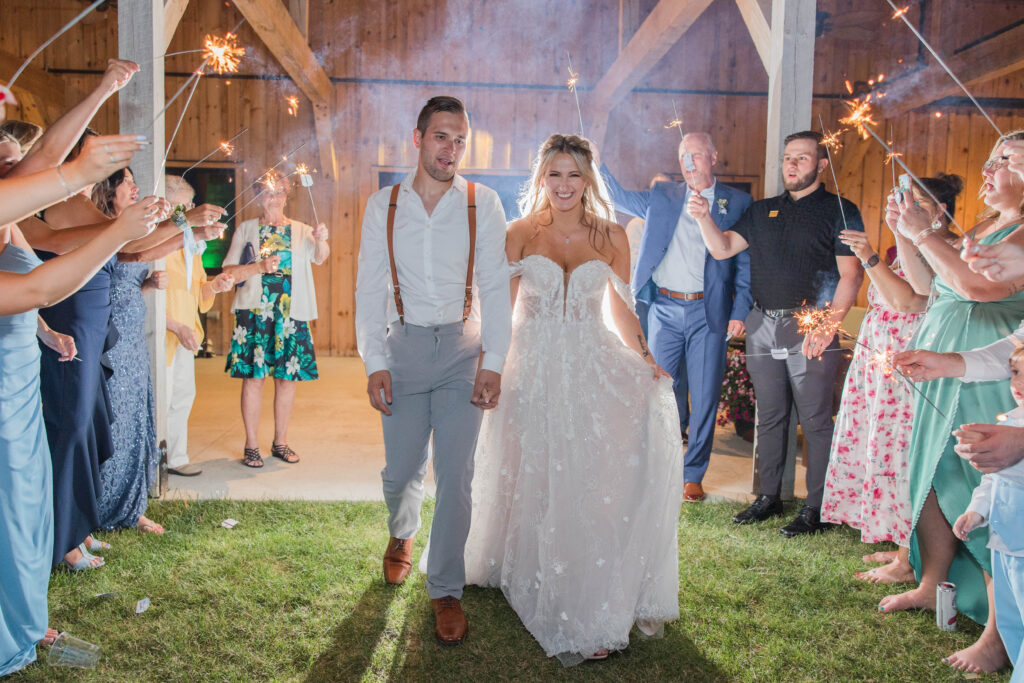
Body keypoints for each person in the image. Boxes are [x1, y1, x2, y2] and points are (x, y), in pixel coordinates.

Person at [463, 134, 683, 665]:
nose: (564, 185)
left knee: (587, 470)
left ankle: (586, 573)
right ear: (541, 178)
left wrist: (646, 356)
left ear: (588, 180)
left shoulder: (612, 236)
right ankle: (518, 557)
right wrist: (488, 365)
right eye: (555, 174)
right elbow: (504, 309)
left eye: (574, 175)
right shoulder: (517, 233)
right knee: (530, 464)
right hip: (531, 365)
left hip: (591, 362)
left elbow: (622, 309)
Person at [355, 95, 511, 646]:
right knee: (400, 473)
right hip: (403, 349)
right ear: (418, 138)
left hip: (463, 353)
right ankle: (402, 533)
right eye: (442, 136)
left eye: (460, 139)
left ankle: (445, 586)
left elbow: (495, 286)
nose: (452, 149)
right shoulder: (385, 205)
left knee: (456, 475)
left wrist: (494, 360)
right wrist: (374, 360)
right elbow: (369, 289)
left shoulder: (482, 203)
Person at [0, 143, 154, 676]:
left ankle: (23, 616)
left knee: (23, 501)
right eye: (11, 162)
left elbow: (31, 296)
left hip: (23, 361)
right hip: (5, 379)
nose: (23, 170)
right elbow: (39, 283)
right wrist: (112, 220)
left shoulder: (12, 223)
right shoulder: (35, 217)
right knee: (12, 501)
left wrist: (45, 332)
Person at [879, 130, 1024, 675]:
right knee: (934, 474)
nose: (988, 170)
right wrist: (910, 238)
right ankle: (930, 579)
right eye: (987, 159)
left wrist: (924, 232)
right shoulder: (984, 225)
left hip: (995, 371)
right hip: (952, 359)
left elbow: (978, 288)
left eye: (1005, 161)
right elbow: (935, 287)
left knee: (981, 484)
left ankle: (995, 632)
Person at [690, 130, 865, 536]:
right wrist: (703, 218)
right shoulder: (762, 210)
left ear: (821, 165)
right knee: (769, 416)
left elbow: (850, 276)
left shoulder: (840, 210)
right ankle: (768, 496)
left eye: (802, 159)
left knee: (817, 420)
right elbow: (722, 248)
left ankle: (818, 507)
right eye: (788, 158)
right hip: (762, 325)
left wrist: (827, 326)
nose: (792, 165)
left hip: (810, 326)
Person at [823, 174, 962, 584]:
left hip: (910, 365)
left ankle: (906, 562)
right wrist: (901, 233)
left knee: (905, 453)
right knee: (885, 450)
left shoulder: (949, 251)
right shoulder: (903, 249)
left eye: (914, 202)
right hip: (881, 364)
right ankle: (906, 543)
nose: (904, 207)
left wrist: (869, 257)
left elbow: (908, 299)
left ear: (939, 211)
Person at [602, 134, 752, 501]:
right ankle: (663, 465)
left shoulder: (737, 202)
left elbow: (745, 263)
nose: (689, 163)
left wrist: (740, 308)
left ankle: (693, 474)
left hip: (708, 311)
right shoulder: (662, 195)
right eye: (683, 156)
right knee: (661, 390)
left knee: (704, 396)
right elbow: (616, 195)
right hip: (663, 310)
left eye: (696, 155)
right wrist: (595, 160)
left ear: (714, 157)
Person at [222, 169, 329, 467]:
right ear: (258, 196)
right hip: (255, 313)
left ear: (286, 195)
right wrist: (257, 266)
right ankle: (251, 445)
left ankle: (280, 442)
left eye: (279, 192)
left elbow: (320, 257)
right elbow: (228, 268)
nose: (274, 198)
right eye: (268, 192)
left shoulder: (301, 229)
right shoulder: (246, 228)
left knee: (286, 380)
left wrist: (321, 239)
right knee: (253, 380)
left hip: (290, 315)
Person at [953, 345, 1024, 681]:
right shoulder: (1010, 419)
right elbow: (991, 481)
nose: (1018, 382)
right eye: (1015, 372)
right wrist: (976, 513)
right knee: (1010, 616)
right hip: (1004, 542)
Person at [163, 175, 234, 477]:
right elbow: (143, 300)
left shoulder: (190, 245)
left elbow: (198, 293)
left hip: (185, 334)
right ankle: (151, 462)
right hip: (162, 334)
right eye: (184, 206)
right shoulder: (156, 243)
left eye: (191, 205)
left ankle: (176, 457)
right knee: (160, 399)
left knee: (182, 396)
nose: (190, 210)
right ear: (166, 207)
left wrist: (216, 286)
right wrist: (176, 327)